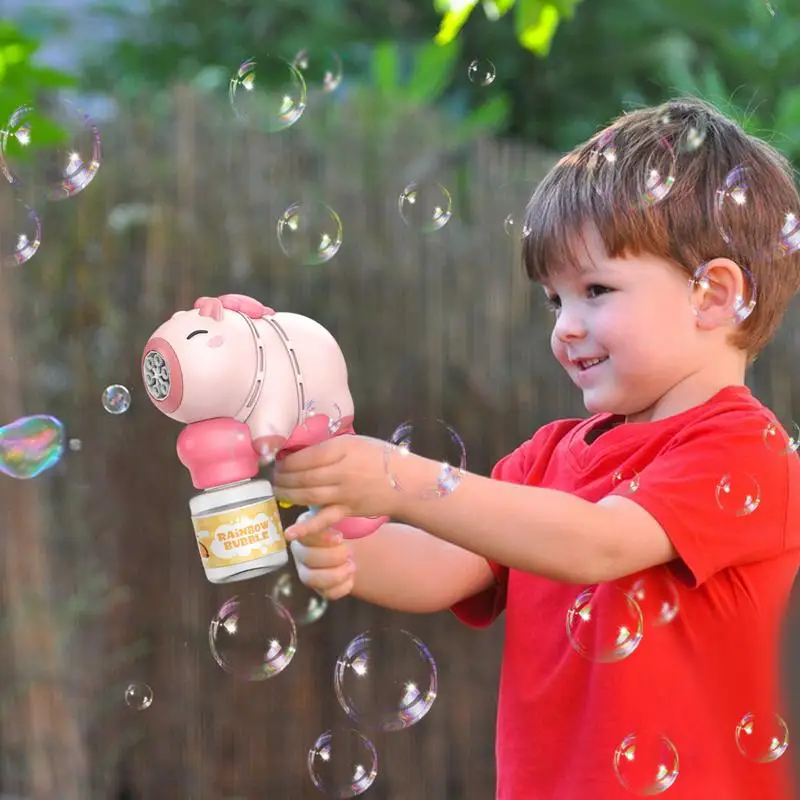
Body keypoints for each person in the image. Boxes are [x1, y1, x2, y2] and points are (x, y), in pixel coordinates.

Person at [273, 97, 800, 799]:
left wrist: (399, 478)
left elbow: (601, 543)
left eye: (595, 290)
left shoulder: (745, 449)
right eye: (555, 300)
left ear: (714, 296)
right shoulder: (551, 455)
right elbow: (443, 564)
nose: (565, 328)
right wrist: (336, 531)